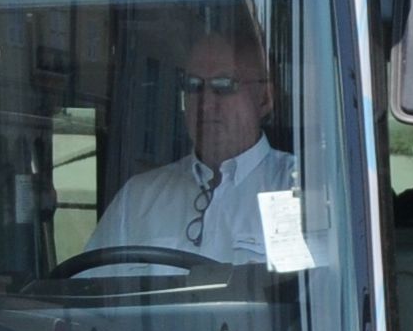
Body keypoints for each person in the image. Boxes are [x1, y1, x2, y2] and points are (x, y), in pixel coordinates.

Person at [95, 22, 301, 264]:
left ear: (264, 99)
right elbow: (87, 292)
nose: (204, 104)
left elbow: (319, 293)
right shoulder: (138, 199)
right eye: (193, 86)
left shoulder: (296, 190)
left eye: (223, 87)